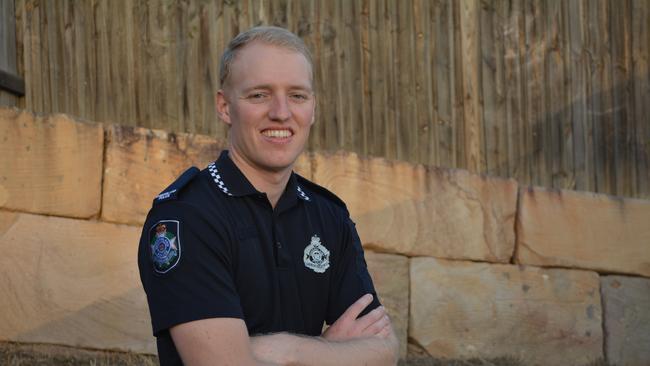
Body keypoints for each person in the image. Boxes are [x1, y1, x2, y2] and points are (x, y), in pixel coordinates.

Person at [138, 26, 398, 366]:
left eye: (297, 96)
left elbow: (385, 350)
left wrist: (290, 350)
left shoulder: (328, 216)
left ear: (313, 109)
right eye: (259, 95)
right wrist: (333, 352)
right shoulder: (187, 217)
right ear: (225, 107)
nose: (281, 112)